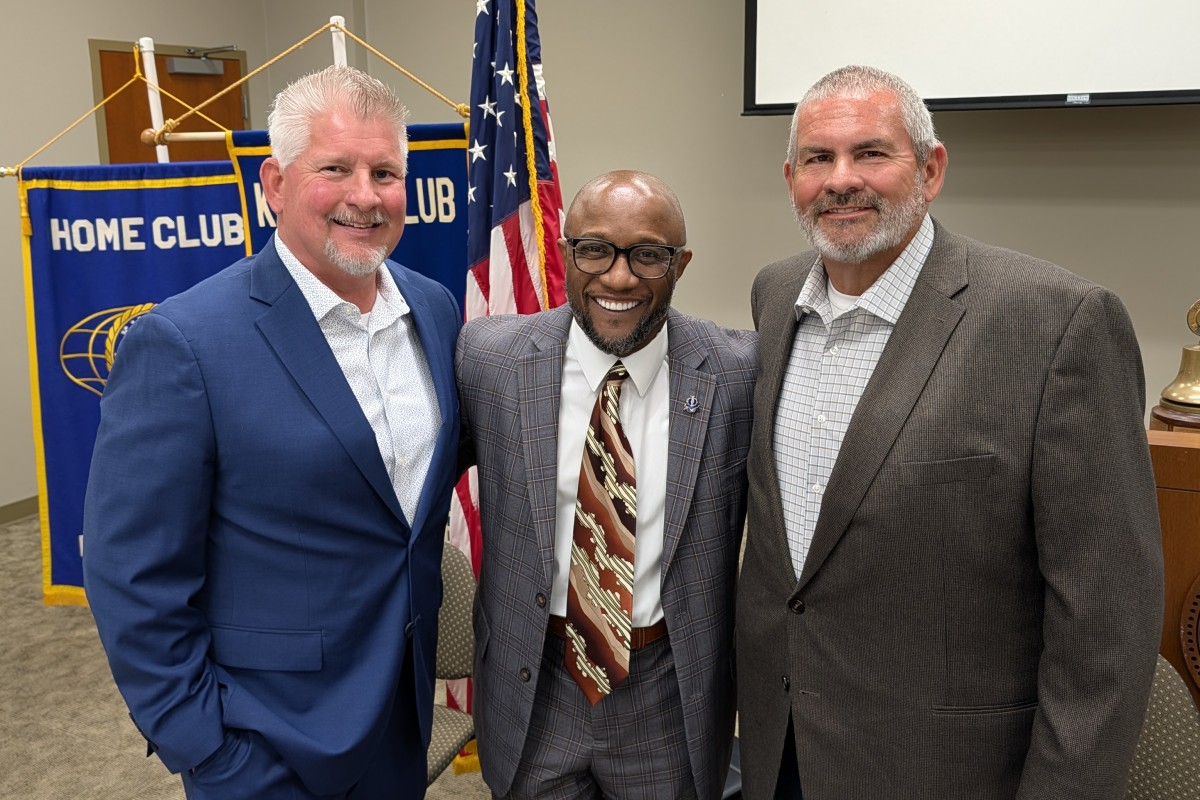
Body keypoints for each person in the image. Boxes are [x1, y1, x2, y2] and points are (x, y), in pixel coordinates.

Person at [737, 65, 1164, 799]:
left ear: (931, 170)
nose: (841, 180)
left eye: (871, 153)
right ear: (790, 178)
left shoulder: (1057, 323)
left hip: (948, 772)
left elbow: (1106, 629)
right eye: (818, 158)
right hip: (782, 751)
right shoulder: (776, 297)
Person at [83, 65, 461, 799]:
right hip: (266, 743)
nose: (364, 195)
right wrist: (206, 746)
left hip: (400, 716)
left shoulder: (434, 309)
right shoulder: (184, 342)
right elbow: (132, 574)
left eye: (385, 172)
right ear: (275, 184)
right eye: (335, 168)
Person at [457, 170, 756, 799]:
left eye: (648, 255)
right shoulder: (489, 359)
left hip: (664, 692)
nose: (618, 277)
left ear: (682, 264)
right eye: (594, 249)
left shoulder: (736, 371)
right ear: (567, 255)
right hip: (534, 681)